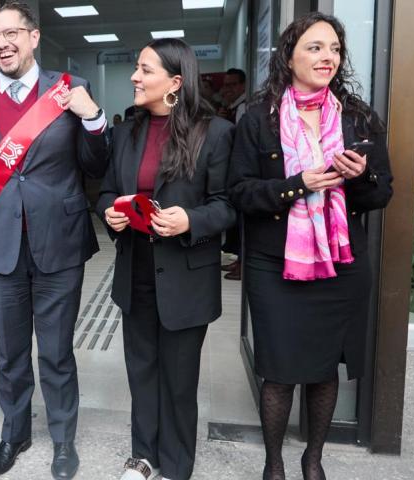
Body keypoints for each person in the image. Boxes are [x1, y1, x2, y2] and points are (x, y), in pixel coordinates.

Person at [227, 13, 393, 480]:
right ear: (290, 55)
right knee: (278, 370)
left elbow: (382, 194)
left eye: (335, 49)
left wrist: (361, 178)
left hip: (341, 264)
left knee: (323, 369)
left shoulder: (358, 117)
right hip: (275, 263)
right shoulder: (258, 119)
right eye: (315, 47)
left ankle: (313, 461)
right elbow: (239, 192)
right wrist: (296, 184)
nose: (327, 57)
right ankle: (274, 464)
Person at [0, 1, 107, 478]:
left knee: (57, 352)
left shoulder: (69, 90)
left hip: (59, 242)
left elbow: (97, 166)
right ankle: (14, 434)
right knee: (10, 352)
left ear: (34, 37)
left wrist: (95, 118)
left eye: (12, 32)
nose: (3, 43)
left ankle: (62, 441)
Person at [98, 39, 235, 480]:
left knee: (179, 381)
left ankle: (176, 467)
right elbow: (105, 191)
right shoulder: (126, 132)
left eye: (144, 69)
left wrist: (189, 220)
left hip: (185, 276)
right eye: (136, 69)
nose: (134, 77)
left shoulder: (214, 133)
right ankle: (143, 456)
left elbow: (227, 205)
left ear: (175, 82)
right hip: (135, 269)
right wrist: (110, 213)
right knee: (141, 371)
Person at [218, 68, 249, 280]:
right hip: (232, 171)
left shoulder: (244, 108)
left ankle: (243, 263)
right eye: (225, 85)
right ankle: (239, 260)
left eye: (232, 85)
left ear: (242, 85)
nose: (227, 89)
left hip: (242, 172)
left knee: (241, 221)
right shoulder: (232, 107)